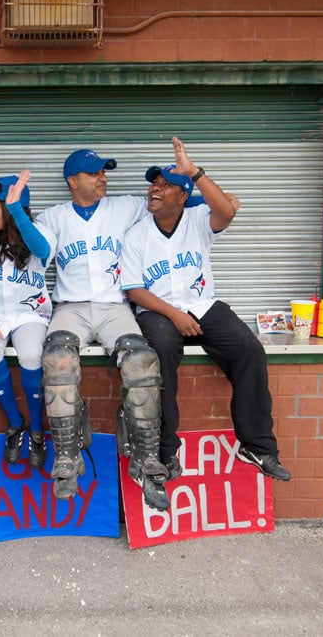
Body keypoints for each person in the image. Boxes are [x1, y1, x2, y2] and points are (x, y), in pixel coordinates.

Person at [36, 148, 202, 511]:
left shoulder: (126, 206)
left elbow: (181, 204)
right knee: (57, 359)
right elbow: (34, 249)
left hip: (115, 305)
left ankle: (146, 461)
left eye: (104, 172)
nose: (103, 178)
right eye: (95, 173)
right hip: (71, 306)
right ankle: (67, 457)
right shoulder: (53, 217)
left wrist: (201, 186)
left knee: (141, 361)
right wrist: (16, 208)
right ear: (73, 181)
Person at [120, 137, 291, 485]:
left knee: (248, 349)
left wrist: (194, 172)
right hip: (157, 310)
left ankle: (256, 445)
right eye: (154, 183)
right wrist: (174, 315)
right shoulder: (137, 234)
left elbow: (227, 210)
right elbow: (135, 289)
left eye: (166, 185)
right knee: (161, 352)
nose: (155, 189)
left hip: (203, 305)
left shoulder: (198, 217)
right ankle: (166, 447)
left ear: (182, 196)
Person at [0, 170, 57, 468]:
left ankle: (37, 429)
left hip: (29, 312)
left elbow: (42, 250)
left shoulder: (39, 230)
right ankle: (16, 423)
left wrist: (16, 211)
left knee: (31, 354)